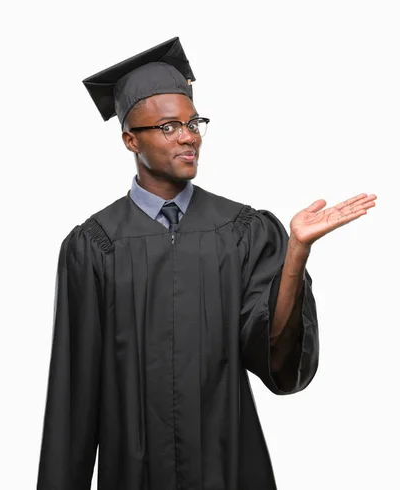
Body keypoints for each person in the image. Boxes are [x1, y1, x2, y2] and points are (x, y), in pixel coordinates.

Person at [36, 36, 377, 490]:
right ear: (129, 139)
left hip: (227, 466)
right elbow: (74, 396)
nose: (188, 136)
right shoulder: (95, 245)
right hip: (133, 472)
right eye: (169, 126)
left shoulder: (240, 230)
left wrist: (296, 252)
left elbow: (273, 354)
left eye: (193, 122)